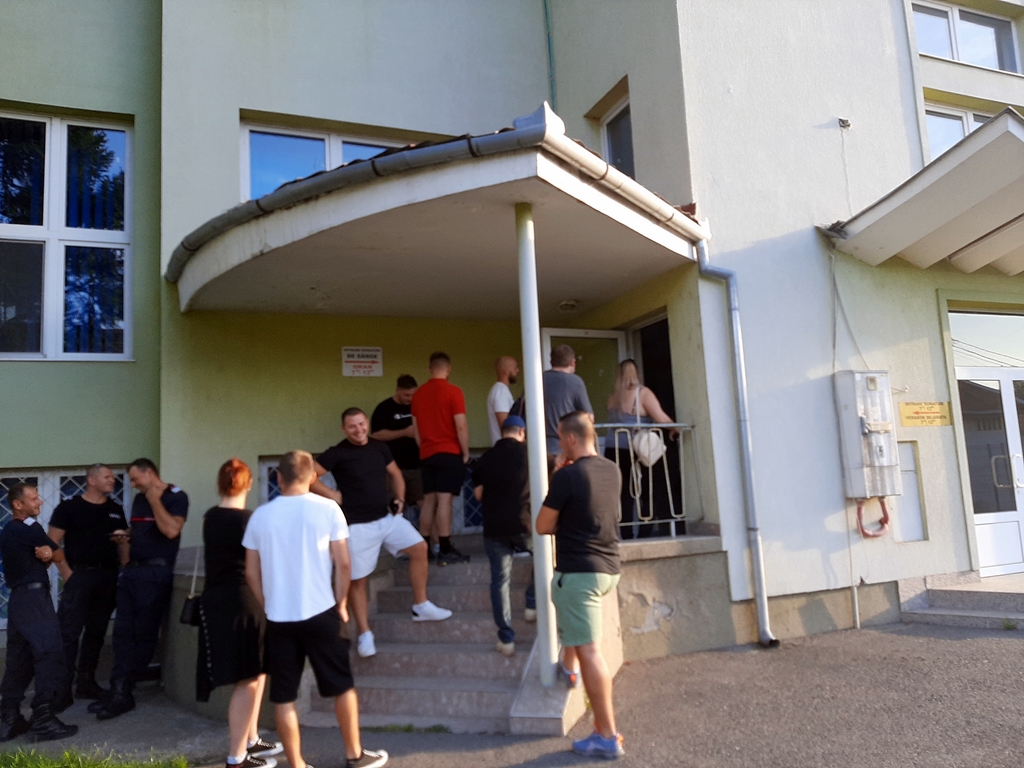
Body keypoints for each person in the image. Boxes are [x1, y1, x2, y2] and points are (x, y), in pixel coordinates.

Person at [243, 451, 388, 768]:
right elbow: (344, 564)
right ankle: (354, 755)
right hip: (322, 611)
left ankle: (297, 764)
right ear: (312, 477)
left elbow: (251, 573)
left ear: (278, 477)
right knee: (342, 686)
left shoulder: (260, 516)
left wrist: (268, 605)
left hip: (279, 618)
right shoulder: (328, 509)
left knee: (284, 696)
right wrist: (341, 603)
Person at [313, 408, 452, 660]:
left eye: (361, 424)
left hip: (387, 519)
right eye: (352, 426)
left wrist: (400, 498)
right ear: (344, 429)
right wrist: (332, 495)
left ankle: (421, 605)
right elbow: (309, 475)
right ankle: (365, 634)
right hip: (356, 526)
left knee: (420, 548)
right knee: (358, 581)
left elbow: (396, 474)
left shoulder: (379, 447)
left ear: (366, 423)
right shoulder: (337, 452)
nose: (358, 430)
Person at [536, 411, 624, 760]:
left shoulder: (567, 476)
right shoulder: (612, 469)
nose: (559, 444)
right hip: (609, 569)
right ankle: (569, 670)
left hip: (579, 572)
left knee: (590, 650)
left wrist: (559, 474)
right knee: (577, 631)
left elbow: (543, 525)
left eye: (560, 437)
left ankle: (607, 736)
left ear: (571, 439)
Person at [196, 458, 282, 768]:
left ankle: (251, 738)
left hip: (218, 600)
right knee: (248, 677)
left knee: (256, 672)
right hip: (245, 600)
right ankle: (237, 757)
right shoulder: (249, 520)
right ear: (249, 484)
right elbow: (258, 567)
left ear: (220, 484)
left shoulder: (211, 517)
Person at [92, 458, 189, 720]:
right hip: (132, 571)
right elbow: (141, 529)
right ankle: (119, 688)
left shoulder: (175, 496)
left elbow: (171, 530)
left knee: (142, 632)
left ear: (150, 473)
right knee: (123, 632)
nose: (133, 485)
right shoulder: (139, 499)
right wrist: (126, 535)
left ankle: (126, 690)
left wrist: (155, 500)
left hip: (156, 573)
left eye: (136, 479)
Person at [0, 482, 78, 743]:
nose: (40, 502)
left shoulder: (10, 530)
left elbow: (48, 555)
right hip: (33, 599)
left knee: (19, 660)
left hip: (19, 600)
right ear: (17, 504)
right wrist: (48, 554)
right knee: (50, 652)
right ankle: (43, 719)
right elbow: (57, 554)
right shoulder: (27, 527)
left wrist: (47, 555)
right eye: (33, 498)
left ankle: (9, 719)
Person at [48, 464, 129, 707]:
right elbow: (52, 542)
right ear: (91, 480)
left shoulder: (115, 509)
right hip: (80, 575)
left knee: (96, 632)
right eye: (107, 477)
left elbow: (123, 543)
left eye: (113, 477)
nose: (112, 480)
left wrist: (124, 565)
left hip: (108, 576)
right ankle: (61, 690)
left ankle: (86, 683)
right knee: (69, 634)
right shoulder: (69, 507)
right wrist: (67, 573)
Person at [472, 415, 536, 657]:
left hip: (494, 527)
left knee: (500, 581)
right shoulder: (532, 453)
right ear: (522, 432)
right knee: (547, 558)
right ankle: (532, 603)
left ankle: (506, 638)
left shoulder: (485, 458)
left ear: (502, 432)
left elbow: (478, 495)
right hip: (525, 523)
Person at [606, 359, 679, 539]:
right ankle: (645, 531)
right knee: (649, 489)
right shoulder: (643, 393)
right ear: (636, 373)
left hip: (613, 448)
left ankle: (626, 532)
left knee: (623, 492)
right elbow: (661, 418)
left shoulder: (613, 396)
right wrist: (676, 428)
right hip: (638, 450)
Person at [410, 351, 470, 566]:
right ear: (448, 369)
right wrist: (465, 451)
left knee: (429, 500)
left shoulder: (418, 394)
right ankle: (445, 547)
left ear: (430, 369)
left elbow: (416, 429)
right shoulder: (454, 392)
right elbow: (460, 425)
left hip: (427, 452)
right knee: (445, 500)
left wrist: (424, 447)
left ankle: (425, 547)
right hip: (449, 451)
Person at [370, 375, 423, 519]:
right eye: (406, 395)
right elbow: (377, 434)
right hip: (392, 467)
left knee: (424, 503)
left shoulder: (418, 406)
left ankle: (429, 534)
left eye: (413, 395)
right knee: (395, 505)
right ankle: (395, 533)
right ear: (398, 390)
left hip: (417, 465)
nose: (410, 398)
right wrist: (404, 432)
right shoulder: (384, 408)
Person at [542, 344, 593, 460]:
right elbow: (588, 417)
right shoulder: (575, 381)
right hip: (566, 448)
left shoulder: (537, 379)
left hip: (537, 446)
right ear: (572, 362)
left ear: (551, 361)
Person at [486, 356, 519, 446]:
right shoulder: (500, 392)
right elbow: (505, 425)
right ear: (506, 371)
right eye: (515, 368)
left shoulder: (501, 390)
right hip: (506, 448)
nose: (517, 371)